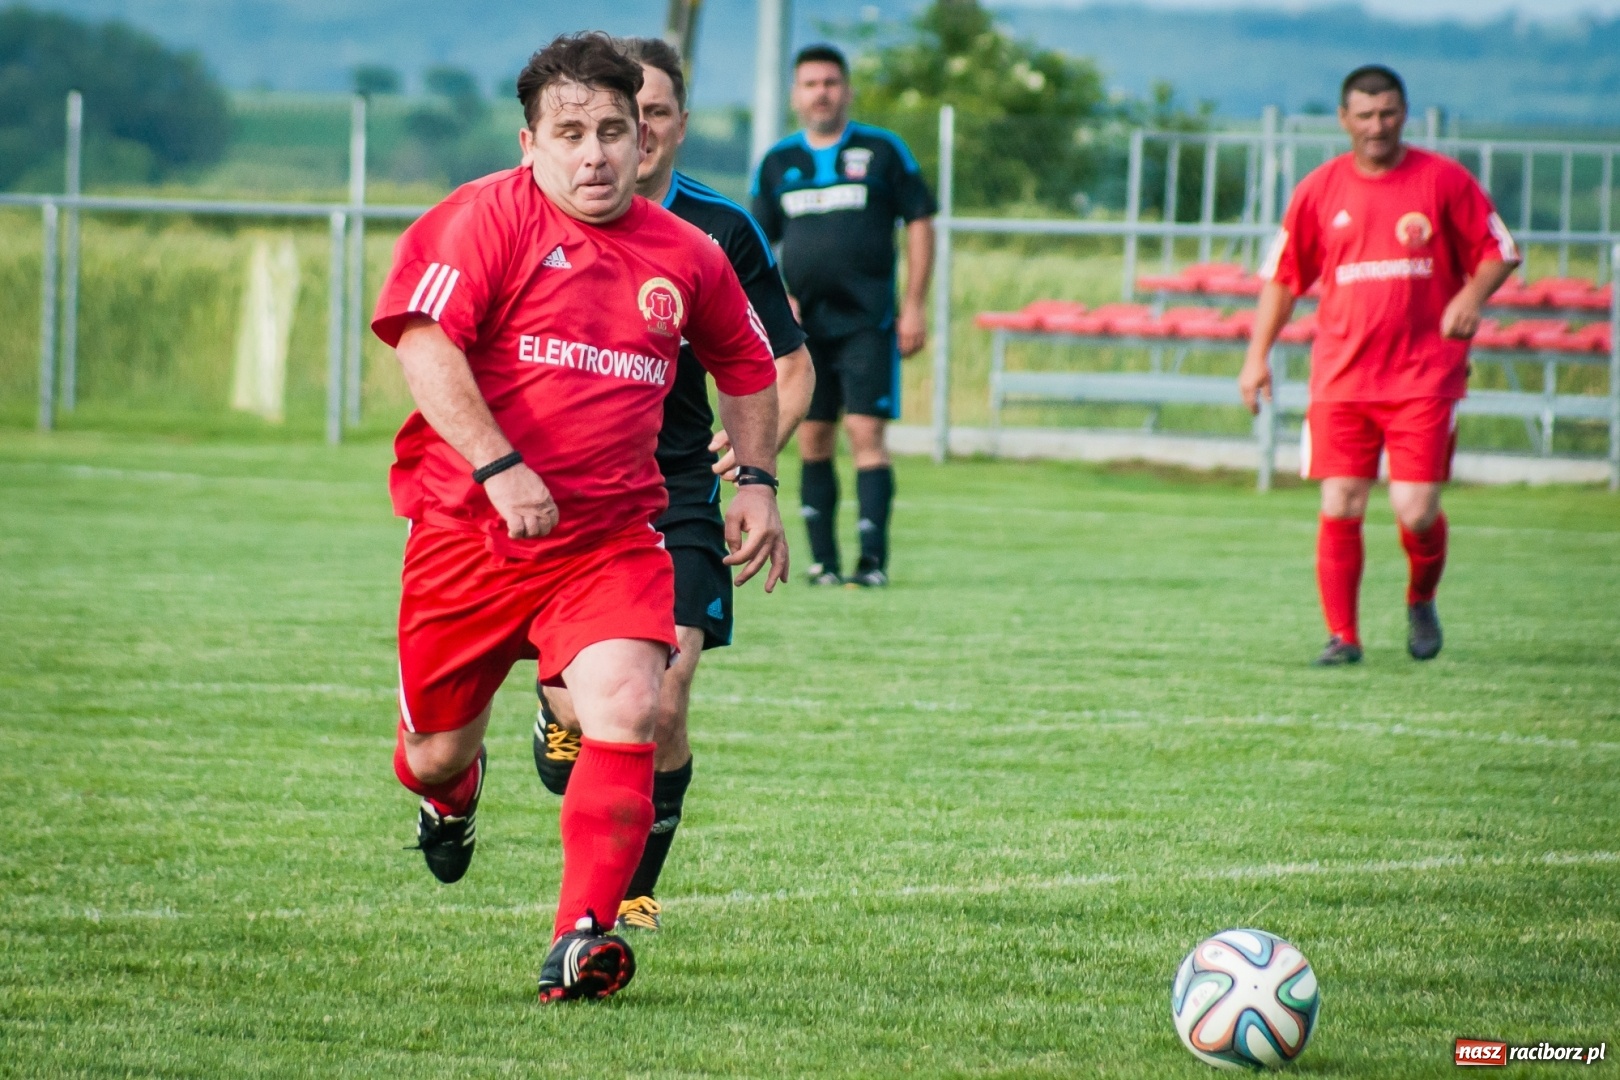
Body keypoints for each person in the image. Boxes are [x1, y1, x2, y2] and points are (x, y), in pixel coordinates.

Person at [371, 32, 786, 1004]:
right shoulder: (479, 222)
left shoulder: (686, 255)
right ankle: (451, 797)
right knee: (434, 749)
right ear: (530, 144)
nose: (596, 152)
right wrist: (500, 465)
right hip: (465, 537)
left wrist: (758, 478)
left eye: (615, 129)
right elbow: (426, 346)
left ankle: (581, 941)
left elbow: (748, 364)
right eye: (572, 133)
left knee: (636, 704)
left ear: (644, 141)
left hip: (606, 540)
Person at [531, 36, 815, 934]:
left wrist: (757, 468)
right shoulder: (534, 219)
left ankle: (624, 895)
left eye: (652, 114)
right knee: (588, 700)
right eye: (623, 115)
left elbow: (786, 365)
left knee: (667, 690)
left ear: (678, 126)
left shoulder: (721, 231)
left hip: (673, 487)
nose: (636, 133)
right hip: (565, 488)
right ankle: (557, 718)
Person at [1240, 64, 1519, 666]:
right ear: (1343, 120)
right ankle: (1344, 637)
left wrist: (1470, 298)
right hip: (1341, 376)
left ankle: (1421, 597)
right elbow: (1284, 280)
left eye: (1387, 113)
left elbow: (1502, 250)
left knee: (1415, 510)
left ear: (1404, 114)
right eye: (1364, 115)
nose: (1376, 126)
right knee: (1340, 501)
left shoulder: (1443, 180)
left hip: (1424, 374)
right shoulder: (1318, 190)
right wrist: (1256, 356)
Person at [752, 43, 937, 588]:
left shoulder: (883, 152)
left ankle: (872, 563)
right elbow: (758, 243)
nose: (822, 93)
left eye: (831, 82)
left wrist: (914, 305)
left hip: (868, 322)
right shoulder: (779, 162)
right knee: (813, 439)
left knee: (865, 433)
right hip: (805, 331)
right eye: (810, 84)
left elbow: (920, 221)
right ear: (795, 95)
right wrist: (775, 296)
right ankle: (824, 564)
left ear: (847, 90)